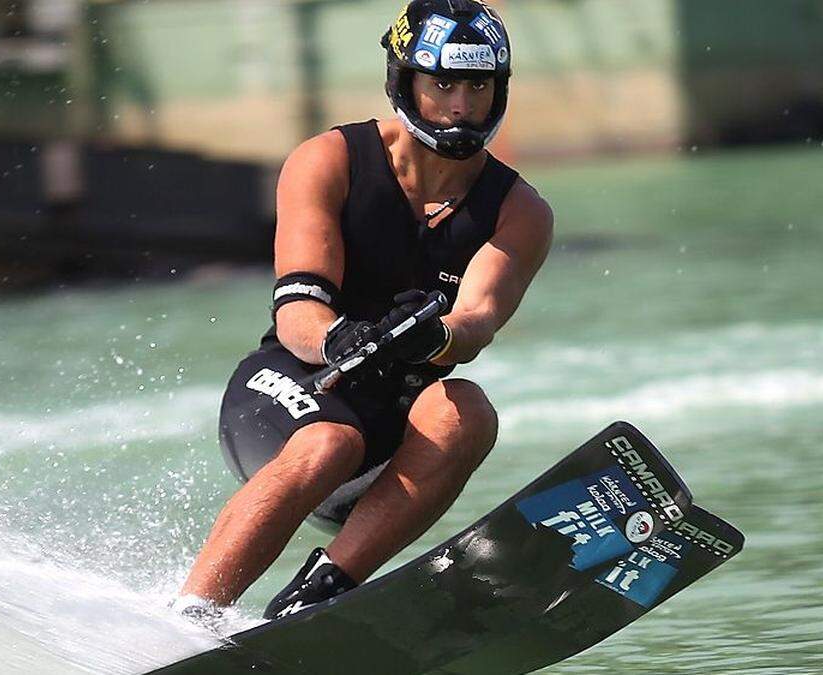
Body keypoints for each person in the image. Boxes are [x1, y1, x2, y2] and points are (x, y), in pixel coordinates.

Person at [175, 0, 552, 620]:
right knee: (329, 442)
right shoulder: (329, 161)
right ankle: (186, 620)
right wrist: (340, 338)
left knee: (469, 411)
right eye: (444, 83)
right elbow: (298, 307)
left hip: (391, 424)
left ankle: (318, 595)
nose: (462, 105)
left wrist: (431, 339)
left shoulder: (522, 212)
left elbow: (477, 319)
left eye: (478, 84)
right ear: (406, 81)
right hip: (290, 388)